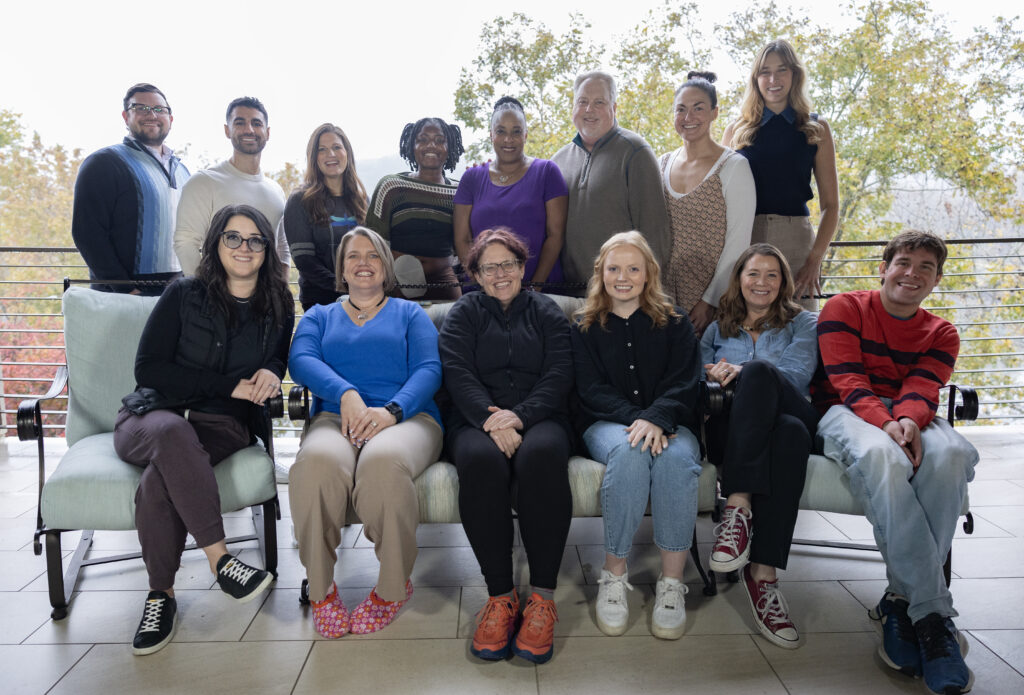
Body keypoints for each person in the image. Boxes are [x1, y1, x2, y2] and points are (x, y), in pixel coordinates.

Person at [113, 204, 294, 655]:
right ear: (216, 242)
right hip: (151, 416)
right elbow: (148, 368)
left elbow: (277, 358)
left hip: (223, 425)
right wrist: (228, 385)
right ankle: (221, 560)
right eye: (233, 237)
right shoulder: (184, 294)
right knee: (172, 436)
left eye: (255, 239)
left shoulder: (279, 302)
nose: (244, 247)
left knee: (160, 481)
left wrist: (272, 372)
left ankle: (161, 596)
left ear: (266, 250)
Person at [813, 231, 978, 694]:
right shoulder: (844, 307)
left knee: (950, 456)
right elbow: (845, 379)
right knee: (884, 458)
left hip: (907, 414)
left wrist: (907, 418)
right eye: (904, 262)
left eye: (926, 267)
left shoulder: (942, 332)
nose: (913, 273)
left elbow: (925, 386)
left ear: (937, 280)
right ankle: (933, 615)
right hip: (846, 411)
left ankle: (899, 601)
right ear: (883, 268)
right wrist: (886, 424)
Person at [288, 227, 443, 638]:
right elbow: (300, 360)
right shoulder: (319, 315)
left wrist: (391, 411)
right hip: (335, 420)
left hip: (409, 419)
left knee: (381, 463)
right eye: (352, 256)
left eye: (372, 255)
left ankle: (393, 588)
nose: (362, 262)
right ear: (341, 268)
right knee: (316, 463)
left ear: (385, 266)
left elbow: (430, 370)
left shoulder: (411, 314)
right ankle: (321, 590)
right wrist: (346, 393)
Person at [438, 228, 573, 664]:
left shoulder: (547, 311)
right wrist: (490, 418)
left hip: (540, 417)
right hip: (477, 419)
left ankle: (542, 600)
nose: (500, 273)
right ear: (475, 273)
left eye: (509, 264)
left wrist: (521, 416)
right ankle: (500, 596)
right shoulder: (463, 313)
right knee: (478, 460)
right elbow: (456, 372)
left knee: (543, 455)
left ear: (523, 267)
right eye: (489, 266)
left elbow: (560, 372)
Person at [571, 231, 702, 640]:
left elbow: (687, 381)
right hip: (607, 424)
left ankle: (670, 584)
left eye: (633, 268)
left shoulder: (676, 322)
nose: (622, 277)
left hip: (672, 423)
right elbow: (589, 388)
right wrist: (640, 420)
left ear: (649, 275)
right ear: (600, 273)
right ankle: (613, 575)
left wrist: (658, 418)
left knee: (678, 460)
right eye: (614, 268)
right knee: (629, 452)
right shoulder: (582, 325)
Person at [700, 243, 819, 650]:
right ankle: (762, 576)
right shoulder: (717, 328)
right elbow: (695, 379)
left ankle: (737, 506)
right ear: (739, 279)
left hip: (792, 405)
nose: (762, 282)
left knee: (765, 375)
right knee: (790, 436)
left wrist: (743, 370)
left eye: (772, 275)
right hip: (733, 430)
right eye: (754, 273)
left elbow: (798, 373)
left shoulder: (803, 324)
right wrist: (712, 374)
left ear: (784, 282)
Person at [724, 39, 839, 311]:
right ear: (756, 78)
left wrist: (815, 260)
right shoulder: (736, 130)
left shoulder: (815, 128)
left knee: (799, 328)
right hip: (744, 238)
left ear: (795, 75)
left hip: (796, 242)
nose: (773, 79)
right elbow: (721, 200)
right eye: (765, 71)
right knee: (744, 324)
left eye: (782, 70)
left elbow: (831, 206)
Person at [552, 71, 670, 292]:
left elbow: (655, 234)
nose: (589, 109)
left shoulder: (635, 152)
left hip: (621, 293)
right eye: (582, 101)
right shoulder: (558, 161)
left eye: (599, 102)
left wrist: (644, 294)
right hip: (569, 292)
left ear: (614, 109)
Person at [72, 83, 190, 294]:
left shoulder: (183, 172)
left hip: (177, 291)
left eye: (159, 109)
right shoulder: (104, 162)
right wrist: (125, 288)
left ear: (170, 119)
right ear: (126, 117)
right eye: (141, 108)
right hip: (124, 293)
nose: (151, 115)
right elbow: (87, 233)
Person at [661, 72, 755, 335]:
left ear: (714, 113)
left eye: (698, 108)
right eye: (681, 109)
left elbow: (738, 242)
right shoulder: (662, 164)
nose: (688, 117)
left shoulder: (733, 166)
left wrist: (710, 300)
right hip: (664, 295)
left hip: (714, 299)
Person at [454, 97, 568, 287]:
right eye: (501, 131)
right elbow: (462, 239)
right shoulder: (471, 179)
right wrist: (482, 284)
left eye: (516, 131)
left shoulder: (547, 172)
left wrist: (534, 288)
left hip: (541, 292)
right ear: (491, 135)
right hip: (483, 295)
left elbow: (555, 235)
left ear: (525, 135)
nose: (508, 139)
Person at [175, 96, 289, 277]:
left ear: (267, 132)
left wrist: (280, 292)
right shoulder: (204, 182)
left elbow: (282, 247)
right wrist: (203, 294)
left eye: (256, 123)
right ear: (227, 130)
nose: (249, 129)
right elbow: (185, 243)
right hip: (217, 299)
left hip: (266, 300)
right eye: (240, 123)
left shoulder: (275, 190)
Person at [365, 118, 465, 300]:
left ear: (450, 148)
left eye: (440, 140)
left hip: (444, 285)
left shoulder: (459, 192)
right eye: (423, 139)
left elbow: (464, 243)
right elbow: (373, 244)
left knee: (451, 327)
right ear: (412, 145)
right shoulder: (392, 187)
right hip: (397, 287)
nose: (431, 145)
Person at [283, 123, 368, 309]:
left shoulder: (362, 200)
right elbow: (305, 262)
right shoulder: (300, 200)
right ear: (314, 158)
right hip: (321, 305)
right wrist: (347, 287)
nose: (331, 154)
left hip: (364, 302)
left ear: (347, 153)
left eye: (337, 147)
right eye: (322, 149)